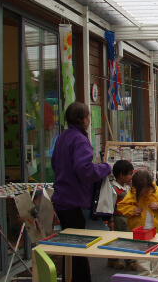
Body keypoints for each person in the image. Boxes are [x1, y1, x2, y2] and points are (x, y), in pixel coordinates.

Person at [51, 102, 112, 282]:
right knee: (78, 250)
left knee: (70, 248)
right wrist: (105, 168)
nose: (89, 121)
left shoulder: (63, 137)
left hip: (61, 199)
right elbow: (85, 170)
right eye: (88, 117)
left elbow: (55, 164)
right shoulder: (79, 139)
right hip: (73, 200)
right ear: (83, 119)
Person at [117, 169, 158, 278]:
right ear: (137, 189)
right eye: (143, 191)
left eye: (147, 190)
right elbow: (122, 206)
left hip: (156, 229)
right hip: (140, 230)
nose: (145, 193)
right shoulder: (132, 194)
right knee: (141, 255)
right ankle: (144, 276)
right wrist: (132, 210)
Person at [107, 160, 137, 271]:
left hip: (127, 217)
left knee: (126, 238)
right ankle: (129, 261)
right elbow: (110, 206)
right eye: (129, 174)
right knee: (123, 240)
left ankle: (114, 258)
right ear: (121, 175)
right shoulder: (114, 190)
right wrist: (110, 220)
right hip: (119, 219)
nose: (131, 177)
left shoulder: (127, 187)